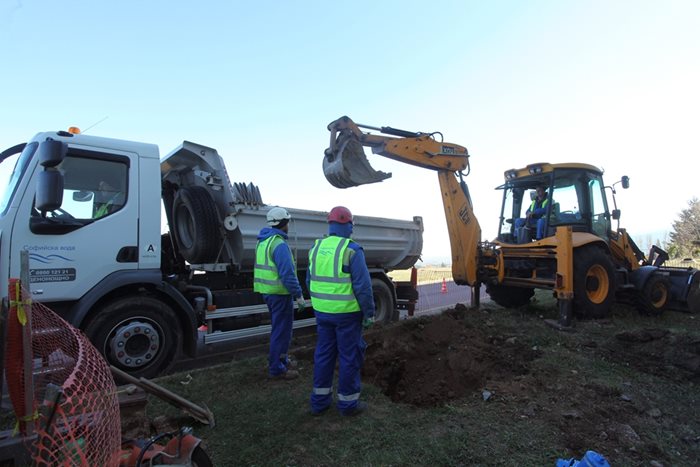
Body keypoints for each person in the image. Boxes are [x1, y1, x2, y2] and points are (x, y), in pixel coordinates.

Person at [308, 206, 375, 416]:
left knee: (324, 355)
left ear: (330, 225)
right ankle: (347, 405)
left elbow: (309, 280)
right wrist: (369, 313)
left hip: (322, 313)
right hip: (347, 315)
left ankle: (319, 402)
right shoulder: (352, 250)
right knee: (349, 357)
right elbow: (363, 287)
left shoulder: (316, 248)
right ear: (348, 225)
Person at [254, 206, 306, 380]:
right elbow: (287, 274)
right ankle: (277, 368)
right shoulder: (279, 244)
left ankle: (280, 359)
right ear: (284, 223)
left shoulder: (263, 241)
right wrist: (298, 295)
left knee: (279, 329)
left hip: (268, 293)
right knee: (282, 331)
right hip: (279, 294)